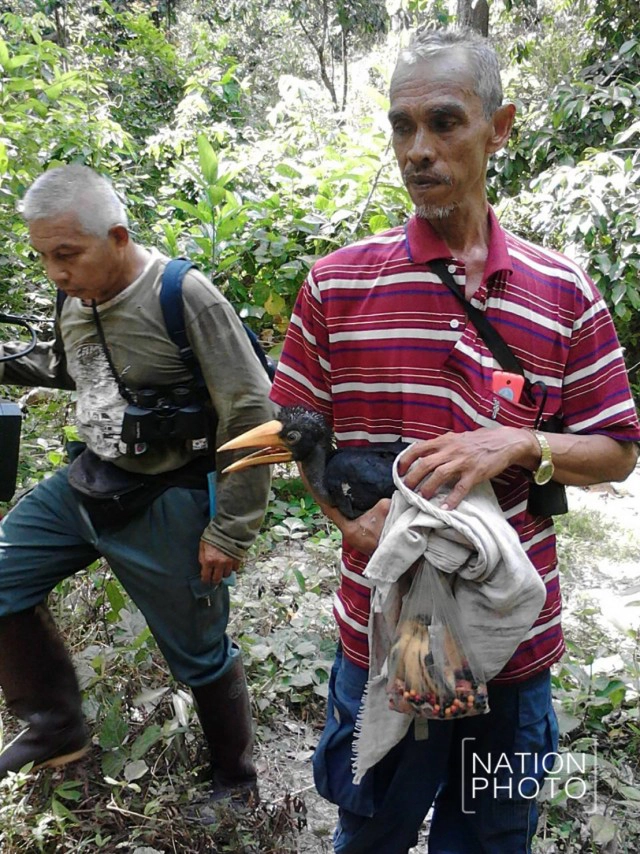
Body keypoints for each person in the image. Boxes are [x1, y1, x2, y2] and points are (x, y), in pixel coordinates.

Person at [268, 27, 640, 854]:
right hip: (394, 628)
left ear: (499, 128)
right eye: (402, 127)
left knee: (490, 836)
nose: (418, 149)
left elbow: (618, 449)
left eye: (444, 122)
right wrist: (349, 520)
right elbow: (293, 431)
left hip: (508, 634)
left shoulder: (562, 292)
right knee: (373, 831)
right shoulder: (338, 285)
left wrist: (520, 444)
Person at [0, 164, 274, 803]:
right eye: (43, 257)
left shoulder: (184, 296)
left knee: (199, 652)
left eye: (67, 254)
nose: (55, 272)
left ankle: (236, 781)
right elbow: (69, 366)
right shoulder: (75, 296)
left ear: (118, 237)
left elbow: (251, 412)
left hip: (168, 495)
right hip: (88, 483)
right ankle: (55, 728)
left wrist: (231, 529)